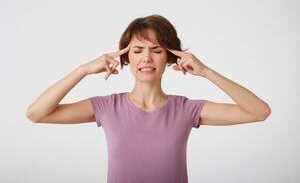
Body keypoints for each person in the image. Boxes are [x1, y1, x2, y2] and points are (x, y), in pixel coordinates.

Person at [26, 14, 271, 183]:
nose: (146, 58)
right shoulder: (107, 107)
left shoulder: (186, 110)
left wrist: (206, 72)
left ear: (169, 58)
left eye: (156, 51)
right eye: (137, 50)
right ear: (126, 58)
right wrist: (83, 70)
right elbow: (37, 114)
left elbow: (259, 112)